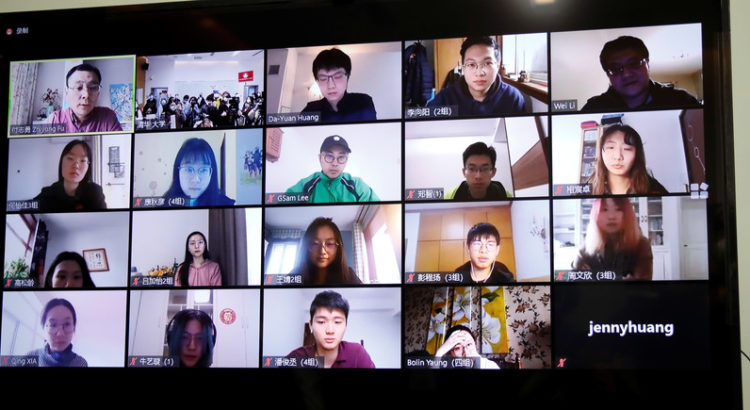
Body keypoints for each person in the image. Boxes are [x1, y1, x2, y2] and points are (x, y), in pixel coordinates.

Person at [581, 36, 701, 111]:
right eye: (616, 68)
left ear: (647, 63)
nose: (627, 74)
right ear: (608, 75)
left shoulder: (681, 100)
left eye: (633, 64)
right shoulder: (594, 107)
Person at [427, 36, 525, 116]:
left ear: (498, 65)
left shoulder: (513, 98)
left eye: (487, 63)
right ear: (462, 66)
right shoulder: (445, 98)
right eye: (471, 64)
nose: (479, 73)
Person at [287, 290, 375, 368]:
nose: (330, 331)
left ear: (345, 325)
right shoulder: (297, 357)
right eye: (321, 322)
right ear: (311, 325)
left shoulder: (357, 353)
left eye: (337, 322)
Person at [573, 197, 653, 280]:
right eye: (605, 209)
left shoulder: (641, 245)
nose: (611, 216)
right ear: (595, 214)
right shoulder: (586, 248)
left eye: (618, 209)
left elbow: (643, 284)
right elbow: (572, 280)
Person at [286, 135, 379, 203]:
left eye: (341, 157)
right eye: (329, 156)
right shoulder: (305, 186)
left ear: (346, 160)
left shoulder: (358, 186)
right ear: (320, 158)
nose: (335, 163)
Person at [587, 124, 668, 195]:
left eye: (627, 149)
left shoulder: (654, 190)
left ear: (637, 154)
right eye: (611, 147)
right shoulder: (587, 190)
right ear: (601, 152)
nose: (618, 156)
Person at [300, 48, 377, 122]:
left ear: (347, 76)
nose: (331, 86)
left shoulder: (363, 103)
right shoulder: (310, 110)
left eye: (338, 77)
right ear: (317, 81)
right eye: (323, 79)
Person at [34, 139, 107, 212]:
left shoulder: (95, 193)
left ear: (88, 166)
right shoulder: (48, 194)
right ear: (61, 162)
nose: (76, 166)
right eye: (70, 158)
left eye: (83, 160)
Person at [46, 63, 122, 133]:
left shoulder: (108, 117)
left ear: (98, 93)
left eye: (92, 88)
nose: (86, 95)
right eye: (79, 87)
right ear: (67, 92)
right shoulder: (54, 120)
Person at [163, 138, 235, 207]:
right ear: (178, 171)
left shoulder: (226, 204)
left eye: (203, 170)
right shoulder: (164, 203)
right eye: (188, 169)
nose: (195, 179)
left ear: (210, 173)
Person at [293, 218, 361, 285]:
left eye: (330, 244)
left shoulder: (349, 274)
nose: (322, 251)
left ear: (338, 248)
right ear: (306, 246)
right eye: (315, 243)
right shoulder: (295, 275)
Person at [28, 298, 88, 367]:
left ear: (73, 328)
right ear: (44, 328)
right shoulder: (30, 357)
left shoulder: (81, 363)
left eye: (67, 324)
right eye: (53, 325)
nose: (60, 333)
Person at [445, 142, 512, 200]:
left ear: (493, 172)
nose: (478, 176)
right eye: (472, 169)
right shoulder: (451, 196)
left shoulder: (506, 196)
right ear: (464, 172)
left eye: (485, 169)